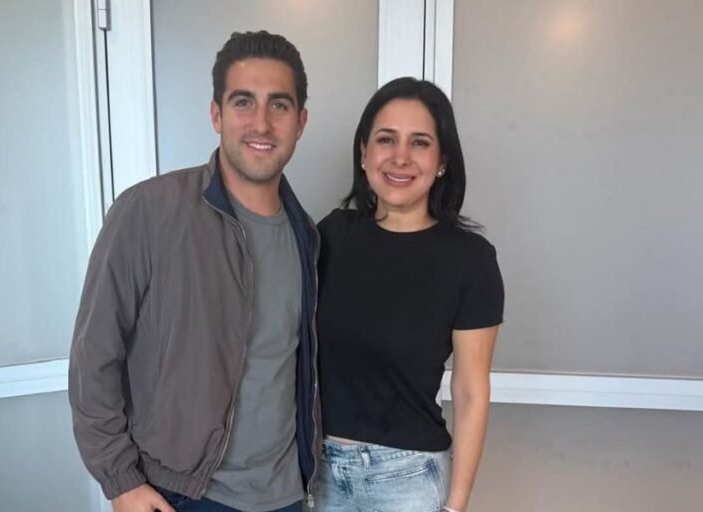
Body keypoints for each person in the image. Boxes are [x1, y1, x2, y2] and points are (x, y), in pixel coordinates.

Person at [68, 31, 321, 512]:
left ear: (301, 121)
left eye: (280, 105)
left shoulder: (305, 234)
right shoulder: (149, 211)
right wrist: (120, 481)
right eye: (243, 102)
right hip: (181, 494)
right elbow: (93, 355)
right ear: (216, 115)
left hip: (286, 495)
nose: (261, 122)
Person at [313, 77, 504, 512]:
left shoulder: (470, 259)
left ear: (442, 161)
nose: (400, 157)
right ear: (364, 152)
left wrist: (456, 504)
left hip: (409, 479)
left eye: (420, 142)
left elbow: (471, 390)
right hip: (317, 474)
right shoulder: (330, 236)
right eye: (386, 139)